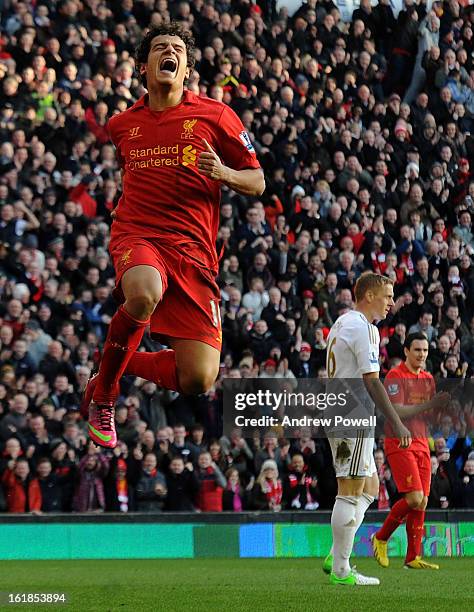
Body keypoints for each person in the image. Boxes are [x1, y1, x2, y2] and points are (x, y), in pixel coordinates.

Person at [82, 22, 264, 448]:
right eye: (160, 48)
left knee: (198, 377)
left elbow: (257, 181)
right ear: (144, 67)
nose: (169, 52)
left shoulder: (216, 115)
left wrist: (223, 173)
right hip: (138, 235)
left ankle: (114, 365)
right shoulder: (121, 125)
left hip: (194, 252)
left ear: (185, 69)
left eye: (177, 49)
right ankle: (105, 396)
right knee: (143, 293)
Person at [323, 272, 412, 586]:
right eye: (387, 296)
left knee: (371, 487)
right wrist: (397, 422)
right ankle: (342, 570)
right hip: (352, 412)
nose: (391, 302)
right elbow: (371, 379)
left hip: (337, 409)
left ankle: (336, 552)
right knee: (348, 490)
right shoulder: (365, 328)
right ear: (370, 295)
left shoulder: (342, 322)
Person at [372, 333, 448, 569]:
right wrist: (430, 405)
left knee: (422, 501)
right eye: (417, 350)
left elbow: (429, 416)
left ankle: (412, 557)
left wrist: (441, 408)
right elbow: (396, 411)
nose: (422, 355)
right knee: (414, 497)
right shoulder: (395, 376)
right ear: (406, 351)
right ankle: (381, 537)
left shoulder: (427, 379)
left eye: (425, 351)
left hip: (422, 442)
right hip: (399, 442)